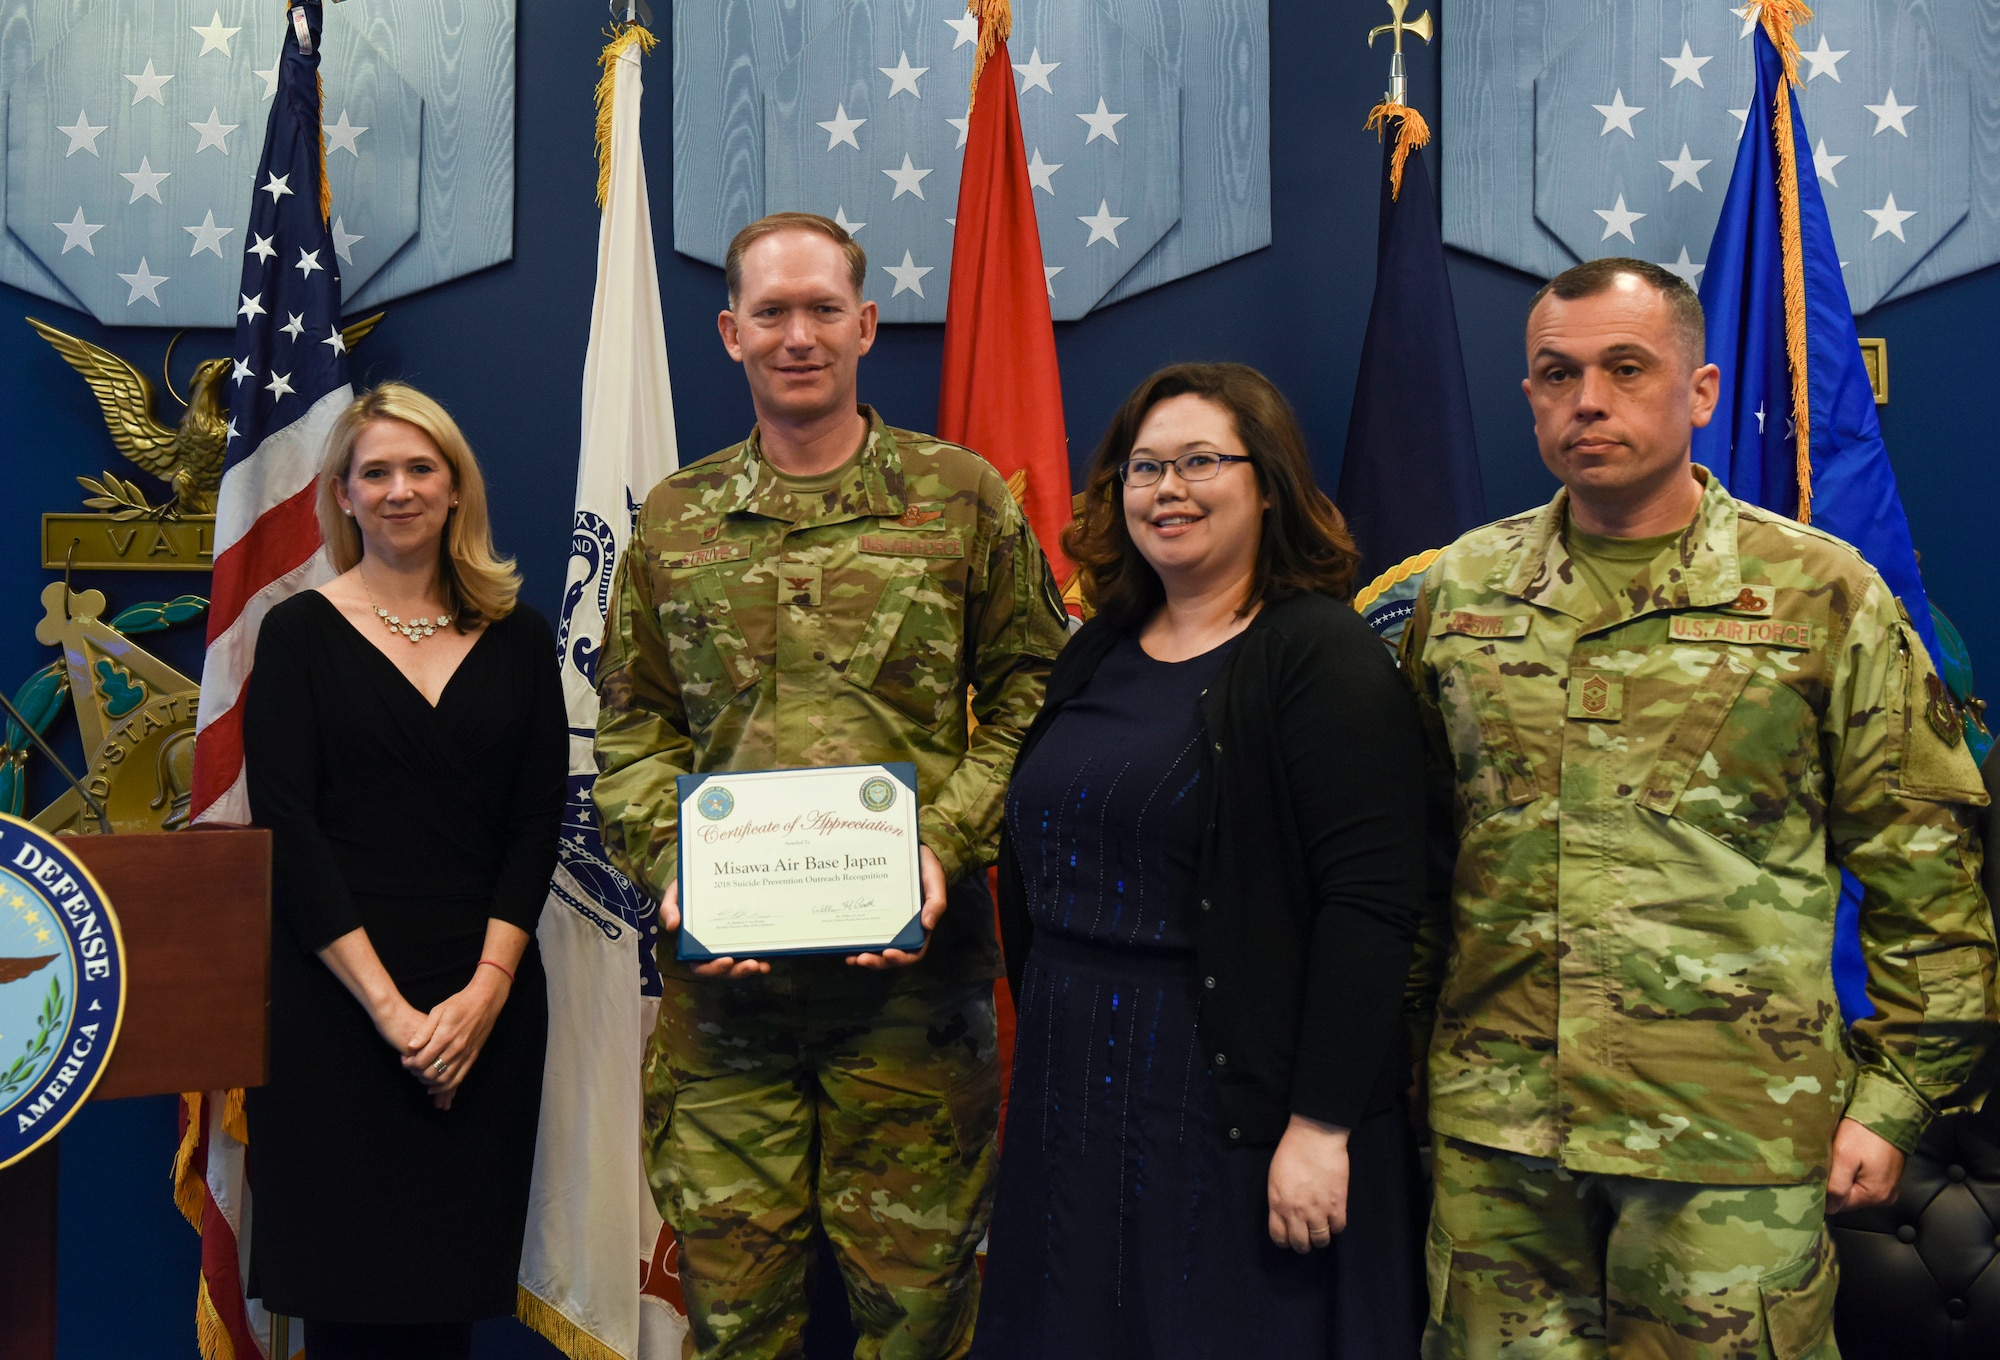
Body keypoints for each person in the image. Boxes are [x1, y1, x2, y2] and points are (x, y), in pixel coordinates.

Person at [1402, 258, 2000, 1359]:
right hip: (1501, 1150)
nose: (1588, 399)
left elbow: (1927, 869)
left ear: (1700, 390)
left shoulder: (1821, 594)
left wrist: (1895, 1098)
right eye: (1556, 373)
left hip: (1728, 1145)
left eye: (1625, 368)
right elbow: (1411, 863)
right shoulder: (1459, 595)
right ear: (1529, 395)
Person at [592, 211, 1068, 1358]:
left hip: (911, 1007)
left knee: (914, 1329)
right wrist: (676, 873)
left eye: (820, 309)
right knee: (734, 1327)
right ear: (728, 331)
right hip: (726, 1017)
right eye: (770, 311)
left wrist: (940, 845)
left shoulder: (960, 498)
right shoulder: (673, 518)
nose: (796, 335)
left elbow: (1038, 699)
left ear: (864, 323)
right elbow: (632, 730)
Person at [972, 362, 1431, 1357]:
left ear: (1264, 482)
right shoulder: (1098, 647)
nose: (1165, 489)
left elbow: (1371, 904)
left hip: (1229, 1105)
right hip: (1073, 1095)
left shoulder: (1317, 652)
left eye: (1198, 462)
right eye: (1143, 468)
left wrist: (1318, 1127)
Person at [243, 382, 566, 1360]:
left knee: (446, 1297)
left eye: (420, 468)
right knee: (348, 1302)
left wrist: (480, 997)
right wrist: (394, 1014)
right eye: (373, 471)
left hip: (485, 1010)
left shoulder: (518, 636)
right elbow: (289, 830)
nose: (398, 490)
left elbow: (535, 821)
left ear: (456, 487)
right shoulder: (296, 634)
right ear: (340, 495)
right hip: (336, 1010)